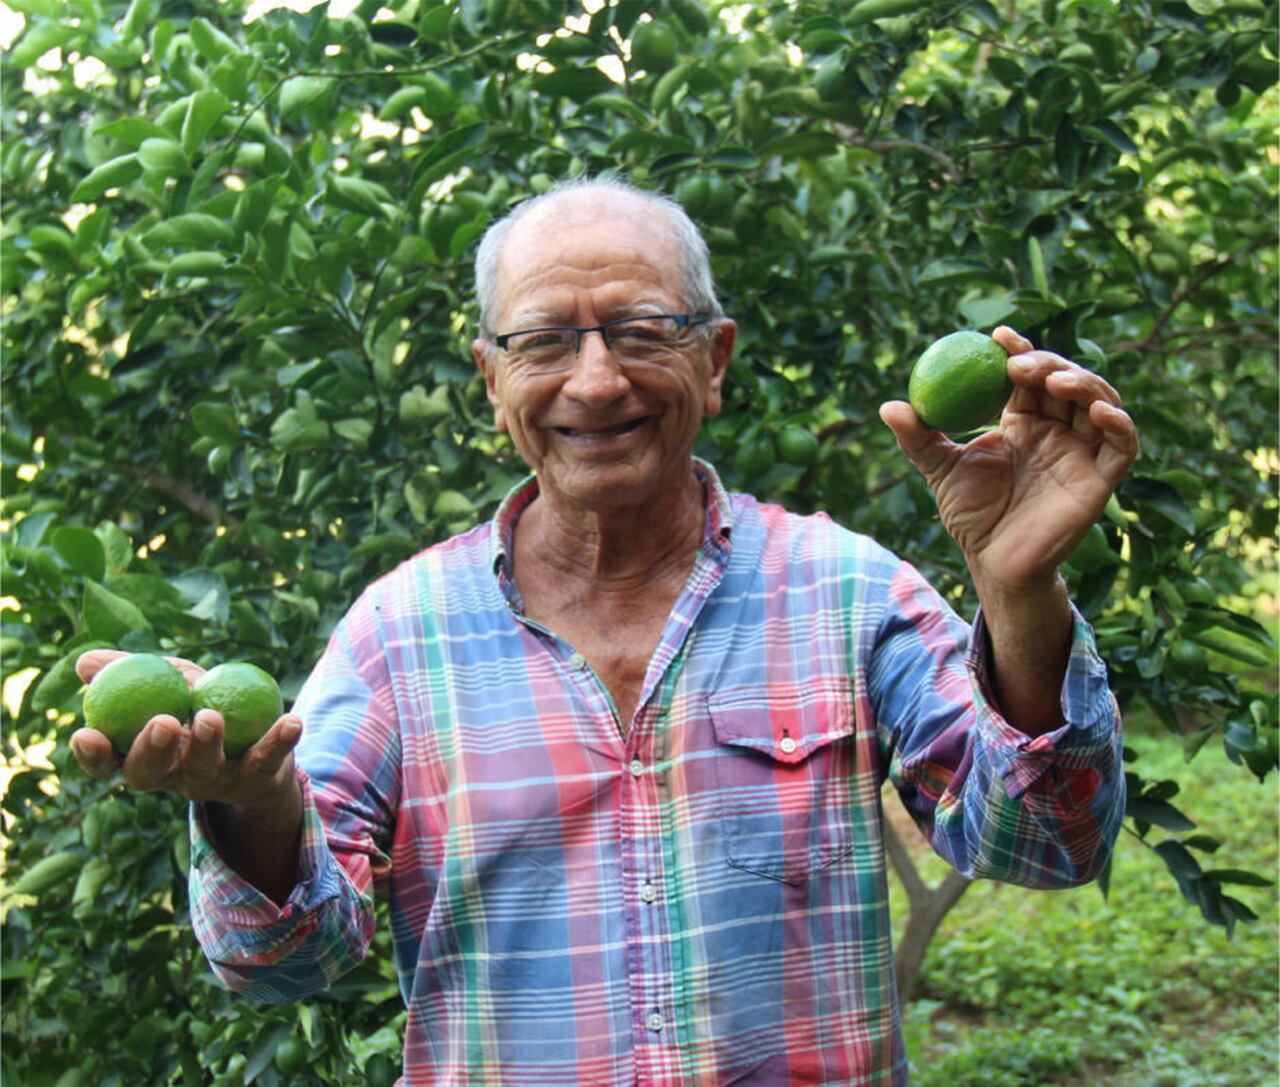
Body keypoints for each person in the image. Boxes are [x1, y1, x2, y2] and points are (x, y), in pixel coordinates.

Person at [72, 177, 1139, 1086]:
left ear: (713, 359)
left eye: (639, 332)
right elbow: (279, 962)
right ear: (493, 380)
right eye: (543, 341)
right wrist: (253, 800)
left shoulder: (842, 591)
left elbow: (1048, 841)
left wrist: (1017, 589)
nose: (594, 380)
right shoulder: (401, 636)